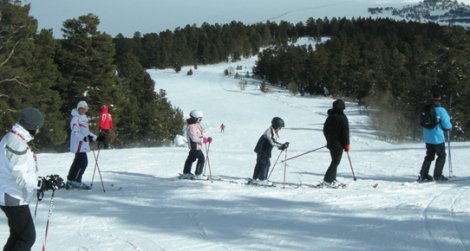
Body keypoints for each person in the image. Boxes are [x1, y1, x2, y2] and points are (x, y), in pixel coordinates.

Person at [0, 108, 61, 250]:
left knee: (18, 235)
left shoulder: (14, 138)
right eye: (38, 127)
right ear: (33, 127)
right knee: (27, 237)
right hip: (12, 196)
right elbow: (20, 176)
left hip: (10, 193)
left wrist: (39, 182)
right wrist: (42, 184)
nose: (39, 131)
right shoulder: (16, 143)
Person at [418, 92, 452, 182]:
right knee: (441, 156)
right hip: (438, 137)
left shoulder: (426, 108)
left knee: (429, 156)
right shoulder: (441, 110)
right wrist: (449, 127)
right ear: (440, 98)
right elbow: (447, 124)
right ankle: (437, 175)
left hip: (428, 137)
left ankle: (423, 174)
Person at [66, 101, 98, 189]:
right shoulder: (75, 118)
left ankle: (70, 179)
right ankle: (76, 181)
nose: (83, 110)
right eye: (81, 108)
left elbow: (86, 132)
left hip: (82, 144)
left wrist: (96, 138)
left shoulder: (84, 118)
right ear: (78, 109)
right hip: (78, 144)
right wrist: (83, 138)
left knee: (77, 162)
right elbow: (75, 132)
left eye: (84, 108)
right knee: (83, 163)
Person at [251, 117, 289, 185]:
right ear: (276, 126)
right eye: (279, 127)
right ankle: (262, 180)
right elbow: (272, 142)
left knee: (261, 164)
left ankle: (255, 179)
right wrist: (281, 145)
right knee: (264, 164)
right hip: (262, 150)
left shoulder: (272, 130)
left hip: (263, 150)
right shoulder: (269, 132)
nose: (280, 129)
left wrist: (281, 146)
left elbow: (273, 142)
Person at [322, 99, 350, 186]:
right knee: (335, 162)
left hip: (331, 144)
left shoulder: (330, 117)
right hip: (339, 144)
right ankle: (328, 181)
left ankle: (332, 179)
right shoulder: (343, 118)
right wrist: (346, 144)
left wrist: (329, 140)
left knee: (334, 161)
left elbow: (325, 130)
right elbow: (345, 132)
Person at [181, 110, 210, 180]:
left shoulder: (196, 125)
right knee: (201, 158)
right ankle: (198, 174)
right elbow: (194, 138)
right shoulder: (191, 127)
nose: (200, 120)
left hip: (196, 146)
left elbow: (199, 135)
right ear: (195, 118)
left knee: (191, 158)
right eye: (199, 119)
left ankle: (186, 172)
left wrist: (205, 138)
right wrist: (203, 140)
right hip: (195, 146)